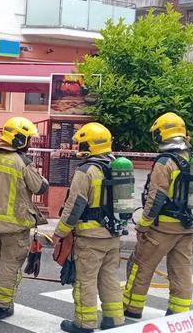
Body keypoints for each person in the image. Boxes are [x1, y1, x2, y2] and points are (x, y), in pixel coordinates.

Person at [0, 117, 49, 320]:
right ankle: (2, 307)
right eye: (28, 139)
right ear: (19, 139)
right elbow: (40, 187)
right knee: (9, 266)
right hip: (14, 228)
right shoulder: (22, 163)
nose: (30, 144)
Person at [123, 112, 193, 318]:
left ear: (162, 134)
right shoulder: (191, 159)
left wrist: (143, 226)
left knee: (140, 266)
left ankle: (132, 307)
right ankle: (179, 311)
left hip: (162, 227)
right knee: (181, 271)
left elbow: (156, 198)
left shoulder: (165, 162)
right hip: (187, 227)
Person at [54, 122, 125, 332]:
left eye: (81, 143)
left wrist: (60, 233)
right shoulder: (116, 167)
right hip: (113, 236)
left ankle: (84, 324)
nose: (78, 148)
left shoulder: (86, 171)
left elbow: (74, 207)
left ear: (89, 145)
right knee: (109, 279)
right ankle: (114, 320)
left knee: (85, 281)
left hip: (90, 238)